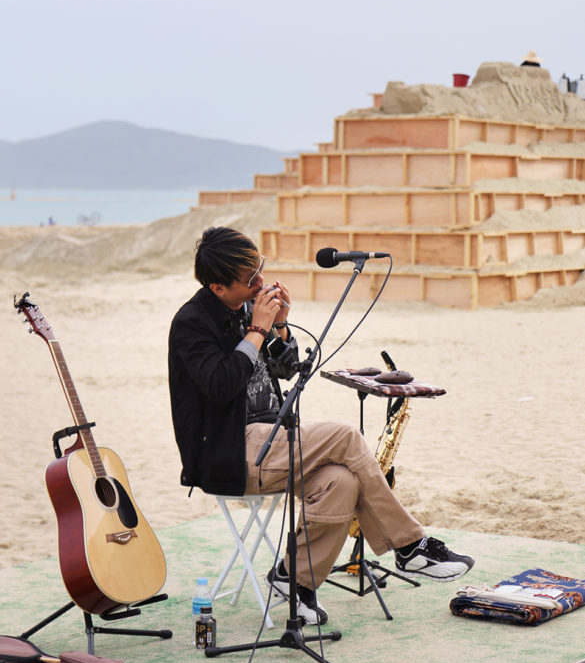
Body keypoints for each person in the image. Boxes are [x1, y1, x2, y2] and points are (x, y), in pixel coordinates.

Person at [168, 227, 474, 626]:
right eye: (250, 280)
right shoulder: (191, 324)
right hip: (227, 452)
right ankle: (410, 546)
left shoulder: (245, 307)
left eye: (260, 271)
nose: (260, 283)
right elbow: (222, 385)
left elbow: (287, 369)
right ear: (217, 287)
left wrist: (279, 326)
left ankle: (294, 582)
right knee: (346, 435)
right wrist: (257, 329)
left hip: (270, 436)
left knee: (340, 482)